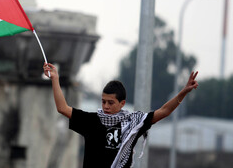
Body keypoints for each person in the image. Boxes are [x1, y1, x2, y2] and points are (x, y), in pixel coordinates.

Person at [43, 63, 199, 168]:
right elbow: (62, 108)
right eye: (103, 102)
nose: (105, 106)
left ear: (122, 103)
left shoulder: (133, 124)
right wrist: (55, 79)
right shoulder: (92, 120)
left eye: (110, 103)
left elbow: (164, 111)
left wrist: (183, 92)